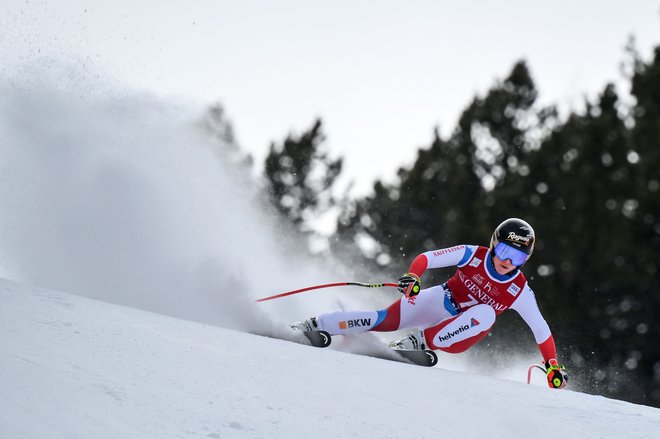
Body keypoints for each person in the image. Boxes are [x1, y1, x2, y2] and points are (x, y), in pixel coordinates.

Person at [294, 218, 568, 389]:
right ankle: (317, 324)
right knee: (382, 320)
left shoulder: (519, 289)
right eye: (506, 251)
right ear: (495, 244)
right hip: (442, 299)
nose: (508, 261)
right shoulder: (473, 255)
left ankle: (420, 342)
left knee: (486, 313)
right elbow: (428, 258)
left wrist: (552, 364)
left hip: (461, 332)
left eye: (518, 258)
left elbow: (540, 329)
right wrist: (413, 276)